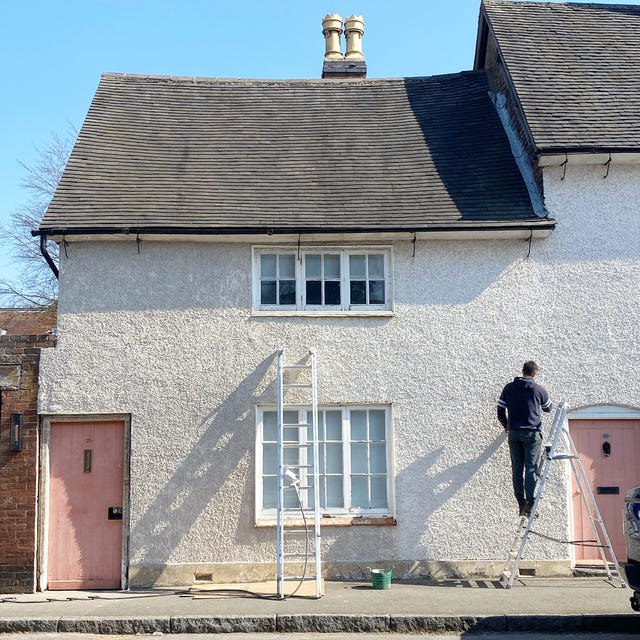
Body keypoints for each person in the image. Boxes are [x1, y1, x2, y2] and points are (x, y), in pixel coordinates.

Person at [497, 361, 552, 517]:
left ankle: (520, 503)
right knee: (531, 468)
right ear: (534, 373)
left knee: (517, 468)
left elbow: (500, 410)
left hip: (514, 433)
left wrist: (506, 425)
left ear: (522, 371)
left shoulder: (509, 388)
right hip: (532, 434)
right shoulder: (538, 389)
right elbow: (548, 408)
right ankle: (529, 503)